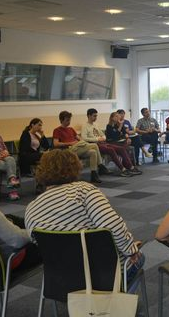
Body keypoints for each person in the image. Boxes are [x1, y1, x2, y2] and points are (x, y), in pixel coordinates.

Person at [25, 150, 144, 281]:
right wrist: (131, 250)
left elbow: (38, 244)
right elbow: (113, 225)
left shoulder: (31, 208)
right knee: (139, 257)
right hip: (104, 275)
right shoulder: (84, 191)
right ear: (75, 167)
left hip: (62, 279)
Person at [52, 110, 107, 184]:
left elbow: (80, 139)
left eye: (69, 120)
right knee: (94, 145)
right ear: (61, 120)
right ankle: (100, 165)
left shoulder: (71, 129)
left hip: (78, 148)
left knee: (93, 152)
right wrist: (70, 143)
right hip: (68, 150)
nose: (69, 122)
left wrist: (81, 143)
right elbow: (55, 144)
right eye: (67, 120)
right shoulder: (57, 130)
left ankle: (94, 175)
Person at [82, 108, 140, 177]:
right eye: (94, 116)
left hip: (103, 142)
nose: (96, 118)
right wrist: (97, 139)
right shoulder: (85, 126)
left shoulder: (95, 125)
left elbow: (103, 134)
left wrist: (103, 138)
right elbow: (84, 138)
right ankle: (123, 169)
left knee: (121, 149)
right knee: (111, 149)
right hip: (95, 144)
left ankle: (131, 167)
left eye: (96, 116)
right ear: (89, 116)